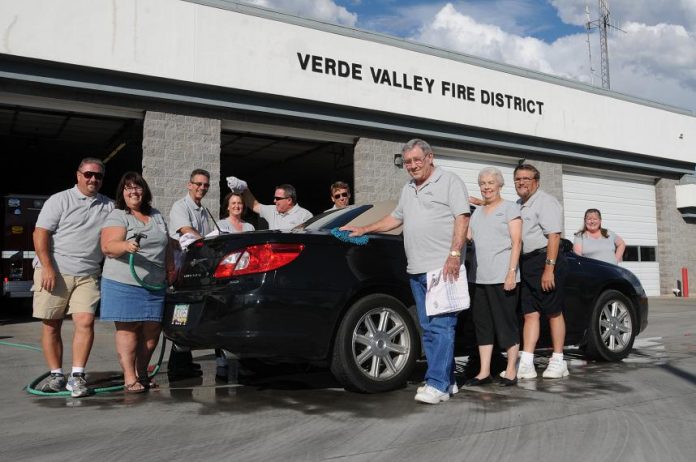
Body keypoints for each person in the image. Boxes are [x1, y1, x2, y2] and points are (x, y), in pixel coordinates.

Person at [342, 138, 470, 404]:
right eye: (408, 162)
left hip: (442, 267)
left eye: (417, 160)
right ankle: (447, 381)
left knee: (442, 326)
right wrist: (364, 229)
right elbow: (395, 218)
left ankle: (437, 384)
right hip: (417, 269)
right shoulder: (408, 189)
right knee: (428, 327)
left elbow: (462, 217)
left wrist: (455, 255)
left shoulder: (449, 181)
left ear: (430, 157)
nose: (412, 166)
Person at [32, 158, 114, 397]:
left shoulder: (108, 206)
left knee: (86, 321)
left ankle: (77, 376)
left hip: (87, 273)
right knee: (51, 324)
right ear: (78, 175)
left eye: (98, 176)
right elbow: (40, 234)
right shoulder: (59, 200)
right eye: (89, 174)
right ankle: (56, 374)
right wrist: (48, 267)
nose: (93, 179)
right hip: (55, 270)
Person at [100, 172, 173, 393]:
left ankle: (143, 372)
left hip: (154, 284)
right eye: (128, 188)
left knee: (152, 331)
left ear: (145, 191)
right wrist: (125, 245)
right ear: (123, 193)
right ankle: (130, 377)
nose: (134, 191)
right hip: (124, 282)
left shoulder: (157, 215)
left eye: (138, 187)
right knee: (129, 330)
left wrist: (171, 267)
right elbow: (108, 246)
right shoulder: (118, 215)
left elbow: (167, 245)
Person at [465, 167, 522, 387]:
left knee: (506, 324)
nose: (486, 187)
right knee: (483, 325)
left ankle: (510, 370)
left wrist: (511, 272)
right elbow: (468, 238)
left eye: (490, 183)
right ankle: (484, 371)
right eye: (483, 183)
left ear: (499, 185)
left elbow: (517, 242)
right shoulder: (476, 213)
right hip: (479, 278)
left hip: (502, 277)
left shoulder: (510, 208)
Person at [514, 164, 569, 379]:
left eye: (526, 178)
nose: (522, 182)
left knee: (553, 312)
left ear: (536, 181)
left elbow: (554, 236)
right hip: (526, 264)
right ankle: (526, 362)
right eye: (518, 179)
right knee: (530, 313)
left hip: (545, 261)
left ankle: (558, 360)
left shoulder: (545, 202)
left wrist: (549, 269)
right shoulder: (519, 205)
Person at [167, 169, 214, 378]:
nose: (201, 188)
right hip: (181, 271)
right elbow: (186, 230)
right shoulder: (181, 206)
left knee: (190, 315)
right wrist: (205, 244)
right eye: (198, 184)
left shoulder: (203, 211)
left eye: (205, 185)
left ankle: (184, 361)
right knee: (181, 314)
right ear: (189, 184)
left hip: (195, 271)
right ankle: (176, 365)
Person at [227, 177, 313, 230]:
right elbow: (255, 205)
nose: (274, 201)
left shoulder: (305, 215)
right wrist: (244, 188)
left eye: (277, 198)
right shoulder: (273, 210)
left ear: (289, 200)